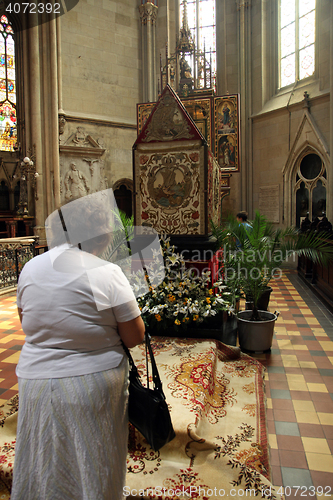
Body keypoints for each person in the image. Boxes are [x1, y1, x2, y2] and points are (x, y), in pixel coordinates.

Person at [11, 192, 145, 500]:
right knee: (94, 459)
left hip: (36, 383)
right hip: (92, 384)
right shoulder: (105, 272)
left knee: (45, 458)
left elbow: (27, 321)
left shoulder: (30, 268)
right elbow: (134, 336)